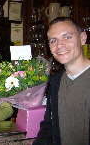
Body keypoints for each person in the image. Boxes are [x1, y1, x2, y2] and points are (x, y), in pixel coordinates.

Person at [33, 17, 90, 145]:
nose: (59, 45)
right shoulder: (55, 82)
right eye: (54, 40)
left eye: (67, 37)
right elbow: (49, 126)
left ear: (82, 38)